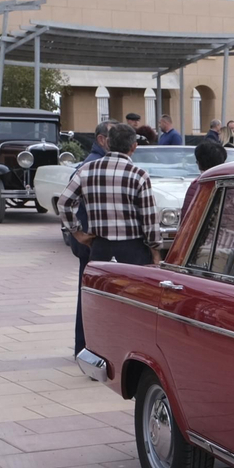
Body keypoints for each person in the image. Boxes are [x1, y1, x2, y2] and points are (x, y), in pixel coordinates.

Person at [60, 124, 160, 334]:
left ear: (108, 143)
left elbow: (64, 203)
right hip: (133, 250)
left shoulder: (86, 170)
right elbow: (149, 219)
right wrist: (155, 251)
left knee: (98, 302)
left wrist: (77, 233)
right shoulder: (139, 175)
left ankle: (91, 348)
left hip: (100, 248)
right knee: (134, 305)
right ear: (134, 146)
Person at [65, 120, 114, 355]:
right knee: (92, 295)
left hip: (91, 240)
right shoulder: (94, 166)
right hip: (94, 241)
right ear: (102, 140)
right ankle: (87, 347)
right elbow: (65, 202)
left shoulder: (95, 163)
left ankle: (84, 346)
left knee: (89, 293)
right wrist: (78, 232)